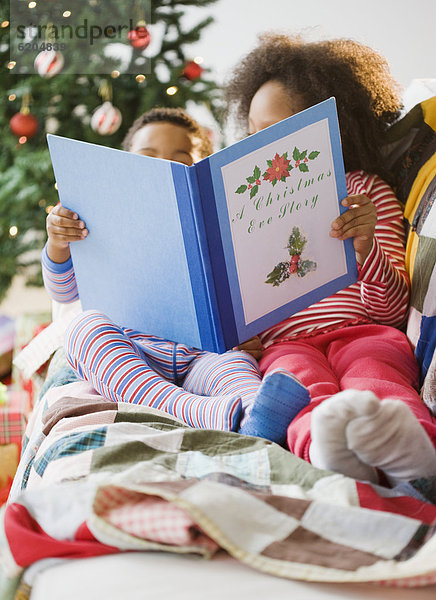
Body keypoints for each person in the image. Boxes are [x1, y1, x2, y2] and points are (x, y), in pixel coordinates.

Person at [224, 34, 436, 486]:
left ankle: (414, 453)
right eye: (254, 134)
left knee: (375, 375)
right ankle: (325, 453)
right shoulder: (239, 209)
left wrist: (367, 248)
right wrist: (240, 338)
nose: (263, 148)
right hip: (286, 344)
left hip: (365, 331)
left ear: (329, 128)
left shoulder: (364, 192)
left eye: (279, 132)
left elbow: (393, 311)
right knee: (295, 390)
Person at [43, 107, 310, 440]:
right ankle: (191, 411)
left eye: (180, 159)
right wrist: (58, 243)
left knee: (235, 364)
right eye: (147, 156)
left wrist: (247, 330)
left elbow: (255, 285)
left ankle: (255, 414)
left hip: (203, 357)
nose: (163, 165)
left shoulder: (224, 223)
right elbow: (64, 291)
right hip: (132, 354)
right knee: (82, 330)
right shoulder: (101, 217)